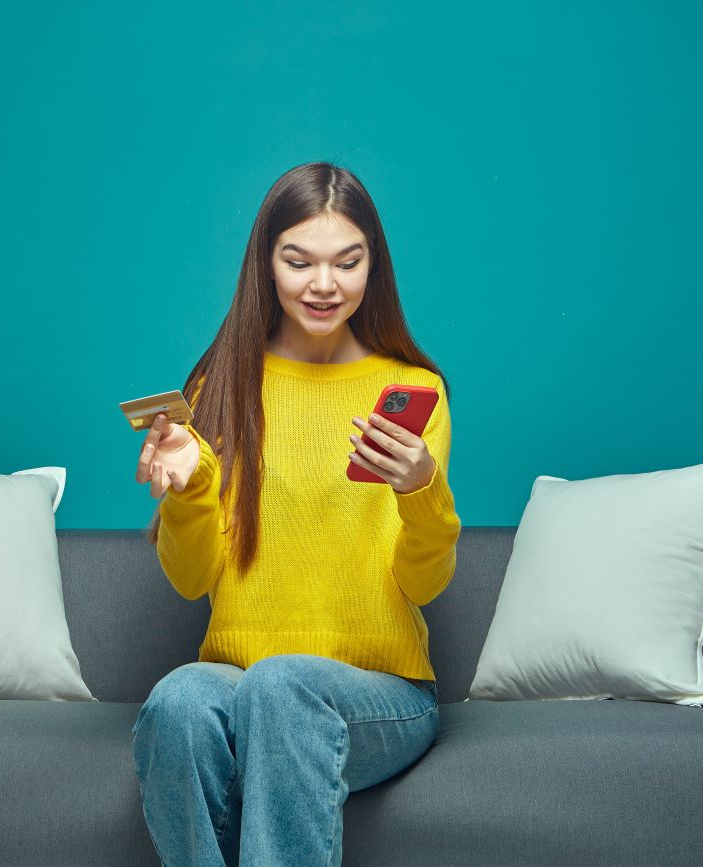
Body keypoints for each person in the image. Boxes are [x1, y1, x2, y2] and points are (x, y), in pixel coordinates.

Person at [130, 161, 461, 867]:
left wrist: (420, 487)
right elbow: (192, 579)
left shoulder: (411, 390)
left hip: (381, 693)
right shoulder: (219, 386)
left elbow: (426, 583)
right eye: (298, 261)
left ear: (374, 265)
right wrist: (189, 491)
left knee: (283, 683)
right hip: (240, 678)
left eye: (348, 261)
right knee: (178, 702)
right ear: (265, 263)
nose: (323, 284)